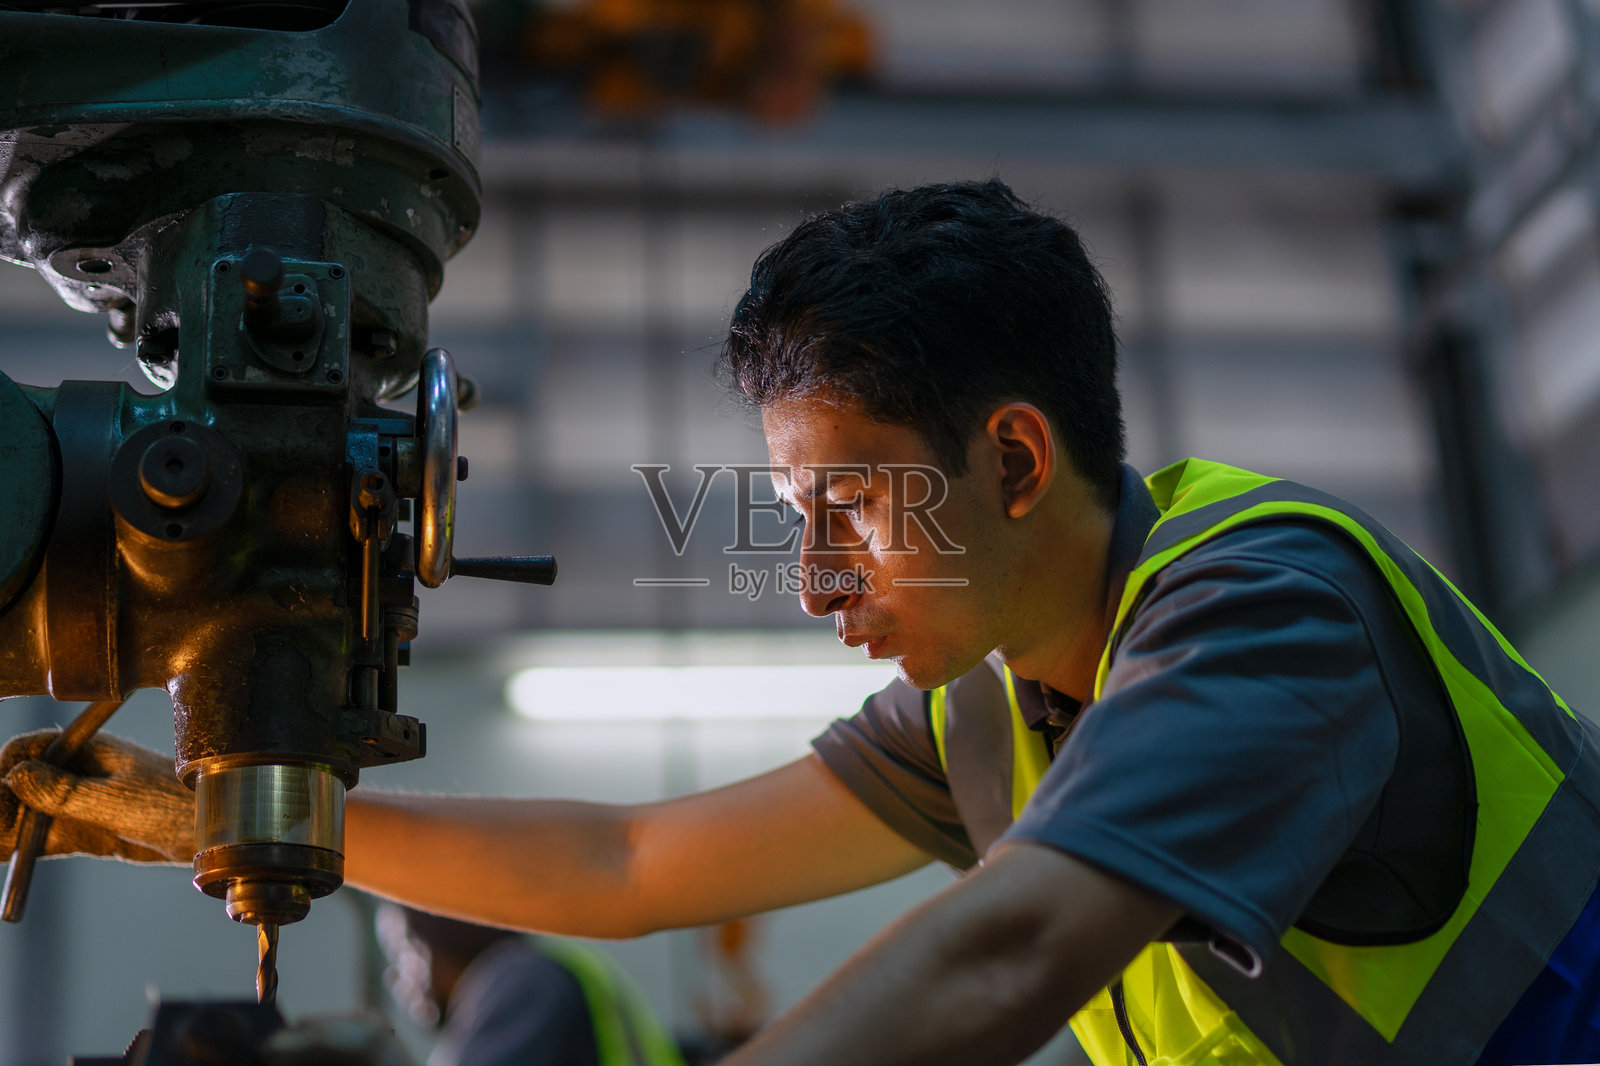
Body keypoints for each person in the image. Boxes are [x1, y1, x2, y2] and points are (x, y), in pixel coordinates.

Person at [4, 179, 1600, 1066]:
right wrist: (207, 809)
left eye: (849, 514)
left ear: (1018, 458)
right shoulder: (988, 705)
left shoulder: (1262, 612)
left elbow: (1011, 953)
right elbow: (627, 869)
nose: (820, 575)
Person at [375, 904, 685, 1066]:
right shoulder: (524, 980)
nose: (395, 976)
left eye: (402, 949)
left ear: (438, 937)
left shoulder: (524, 982)